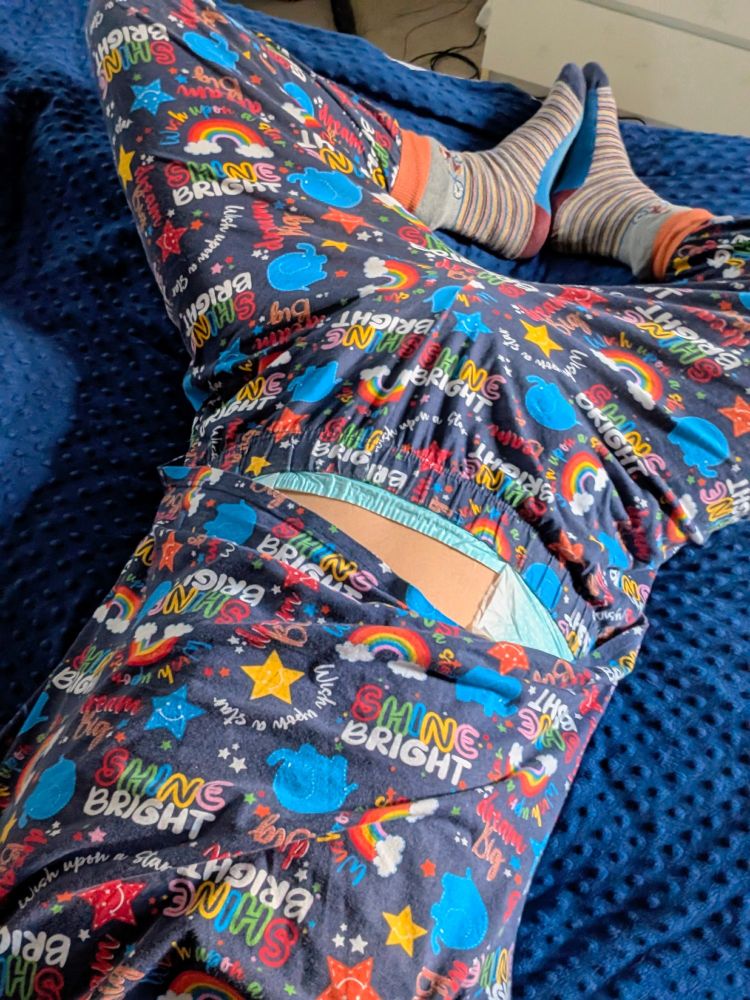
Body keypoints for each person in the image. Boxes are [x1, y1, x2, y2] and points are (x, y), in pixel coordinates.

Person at [0, 0, 747, 996]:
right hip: (582, 481)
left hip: (315, 371)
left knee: (148, 28)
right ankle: (629, 222)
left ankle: (477, 191)